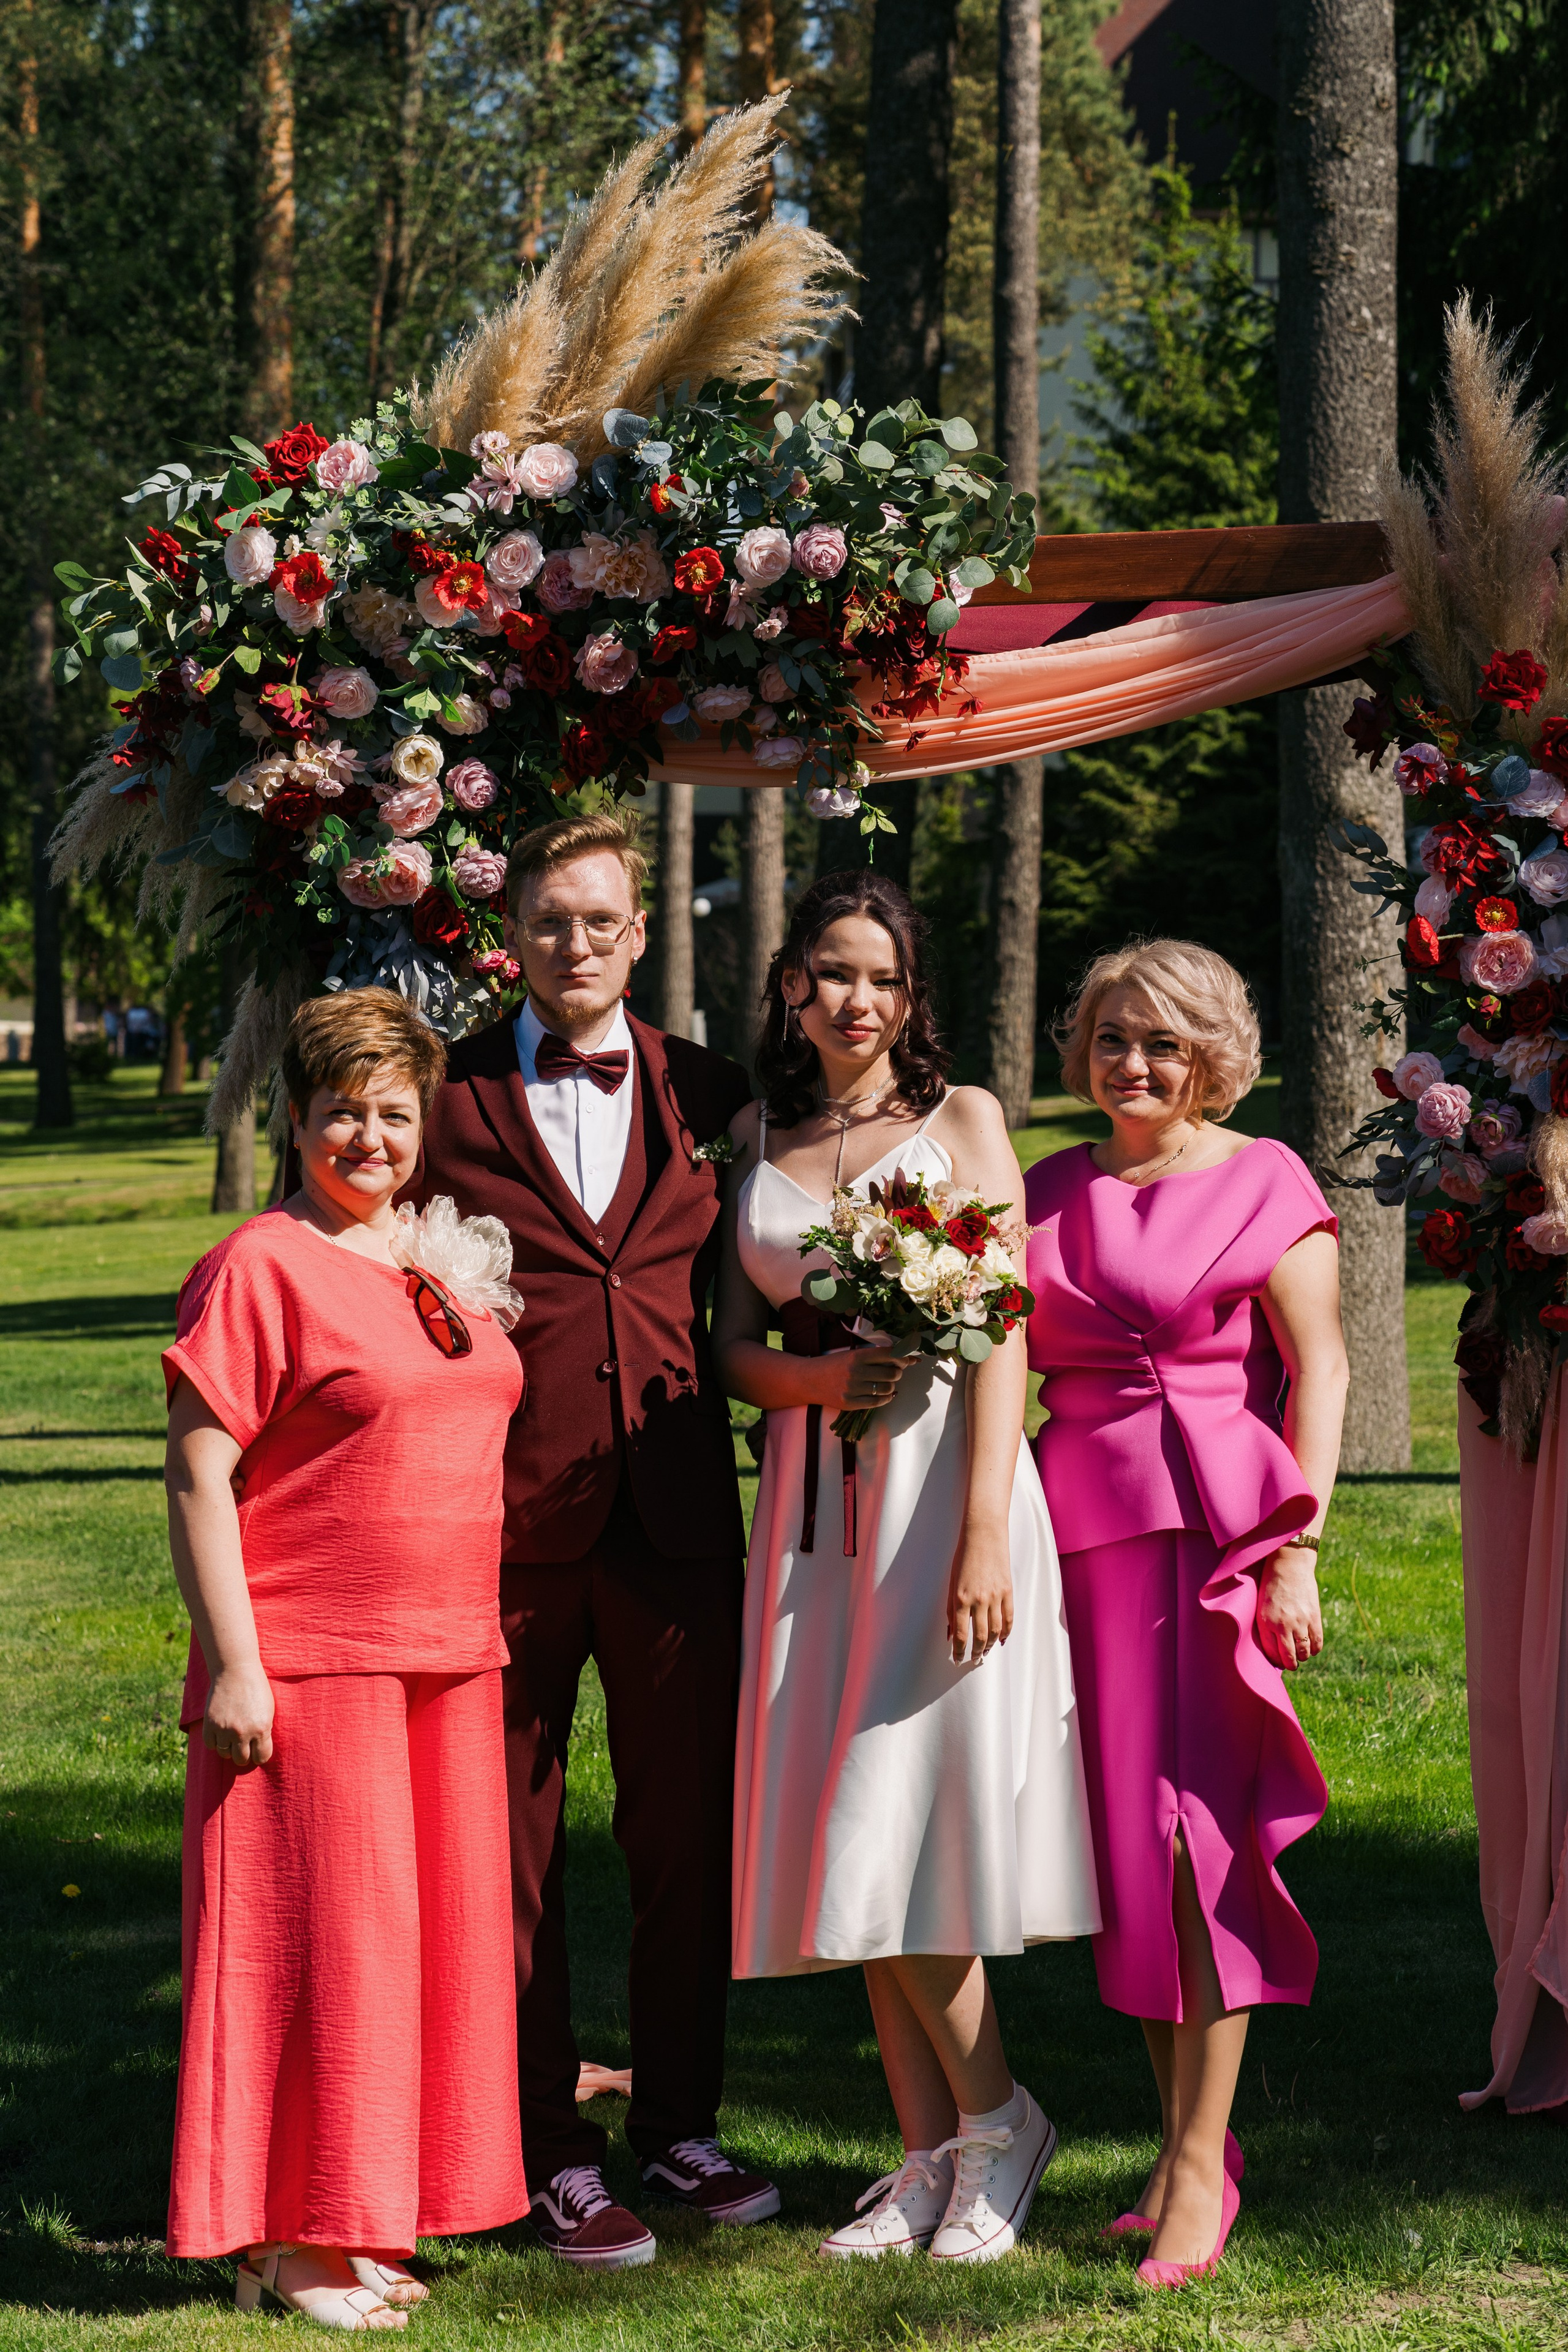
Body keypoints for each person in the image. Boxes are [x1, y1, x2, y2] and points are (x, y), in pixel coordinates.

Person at [712, 870, 1100, 2265]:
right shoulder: (754, 1134)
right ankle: (925, 2159)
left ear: (908, 994)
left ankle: (1003, 2125)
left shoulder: (964, 1123)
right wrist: (812, 1377)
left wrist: (987, 1527)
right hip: (816, 1517)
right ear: (791, 986)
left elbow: (1001, 1331)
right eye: (829, 970)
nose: (853, 998)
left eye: (878, 975)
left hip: (945, 1501)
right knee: (846, 1826)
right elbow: (728, 1354)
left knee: (897, 1814)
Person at [409, 809, 778, 2271]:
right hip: (497, 1523)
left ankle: (679, 2119)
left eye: (601, 922)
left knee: (684, 1832)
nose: (575, 945)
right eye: (549, 921)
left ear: (640, 933)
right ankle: (545, 2144)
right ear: (511, 936)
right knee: (512, 1847)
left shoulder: (714, 1090)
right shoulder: (436, 1101)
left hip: (678, 1515)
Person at [163, 988, 528, 2330]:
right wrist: (236, 1668)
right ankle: (295, 2239)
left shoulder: (421, 1259)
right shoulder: (261, 1264)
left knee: (412, 1959)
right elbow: (200, 1476)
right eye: (340, 1115)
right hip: (315, 1658)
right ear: (295, 1120)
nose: (367, 1139)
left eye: (391, 1114)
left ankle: (356, 2213)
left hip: (446, 1656)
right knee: (320, 1951)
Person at [1025, 939, 1348, 2290]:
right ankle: (1173, 2150)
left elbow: (1316, 1367)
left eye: (1162, 1043)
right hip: (1072, 1540)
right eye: (1111, 1038)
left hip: (1214, 1536)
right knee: (1124, 1856)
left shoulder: (1265, 1177)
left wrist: (1295, 1550)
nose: (1134, 1065)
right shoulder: (1043, 1186)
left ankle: (1204, 2168)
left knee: (1194, 1846)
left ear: (1212, 1053)